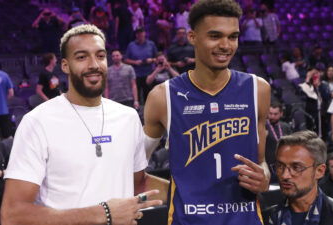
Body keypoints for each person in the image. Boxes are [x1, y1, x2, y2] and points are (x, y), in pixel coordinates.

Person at [1, 24, 168, 225]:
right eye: (82, 57)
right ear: (65, 65)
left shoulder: (129, 117)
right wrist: (103, 214)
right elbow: (13, 215)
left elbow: (137, 183)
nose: (94, 64)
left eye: (100, 56)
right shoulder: (37, 122)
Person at [144, 1, 271, 224]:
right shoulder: (162, 96)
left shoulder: (257, 89)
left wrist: (264, 179)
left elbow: (260, 162)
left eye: (233, 37)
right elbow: (135, 168)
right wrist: (177, 193)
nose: (226, 45)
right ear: (192, 37)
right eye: (215, 36)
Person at [262, 130, 333, 225]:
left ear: (319, 171)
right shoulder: (264, 219)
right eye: (280, 166)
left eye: (296, 167)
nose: (284, 175)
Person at [125, 27, 158, 104]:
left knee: (149, 96)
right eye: (138, 33)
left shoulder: (151, 44)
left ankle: (149, 113)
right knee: (137, 97)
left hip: (149, 74)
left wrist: (152, 60)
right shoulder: (131, 45)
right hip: (135, 74)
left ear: (144, 33)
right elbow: (126, 59)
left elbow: (157, 58)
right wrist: (135, 62)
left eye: (141, 32)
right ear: (136, 35)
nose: (140, 34)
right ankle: (138, 113)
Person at [298, 66, 331, 139]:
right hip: (311, 113)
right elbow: (301, 94)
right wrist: (308, 79)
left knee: (324, 133)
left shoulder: (324, 85)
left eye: (316, 73)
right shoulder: (305, 86)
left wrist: (318, 85)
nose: (314, 75)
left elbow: (326, 96)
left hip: (323, 113)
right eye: (312, 74)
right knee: (312, 133)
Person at [265, 102, 292, 183]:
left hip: (284, 164)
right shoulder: (262, 126)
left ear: (281, 113)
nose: (272, 116)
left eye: (275, 114)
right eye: (270, 113)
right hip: (268, 165)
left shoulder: (286, 127)